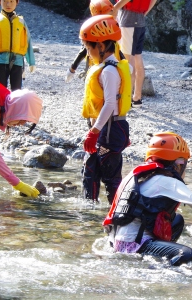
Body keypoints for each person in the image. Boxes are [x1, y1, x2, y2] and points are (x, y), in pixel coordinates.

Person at [102, 132, 192, 266]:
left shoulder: (139, 176)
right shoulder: (166, 181)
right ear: (178, 165)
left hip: (116, 242)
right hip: (136, 246)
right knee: (187, 255)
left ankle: (160, 257)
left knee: (177, 220)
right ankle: (159, 270)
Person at [79, 15, 131, 204]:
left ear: (100, 46)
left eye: (88, 47)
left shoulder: (109, 71)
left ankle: (117, 216)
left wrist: (94, 131)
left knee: (111, 177)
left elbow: (110, 104)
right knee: (90, 170)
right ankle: (89, 214)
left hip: (109, 130)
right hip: (107, 129)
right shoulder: (104, 67)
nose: (88, 52)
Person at [0, 74, 42, 197]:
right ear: (17, 108)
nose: (22, 124)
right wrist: (17, 183)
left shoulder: (0, 101)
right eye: (24, 118)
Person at [0, 0, 36, 91]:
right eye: (5, 1)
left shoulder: (21, 21)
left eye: (11, 1)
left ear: (17, 2)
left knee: (17, 92)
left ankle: (15, 105)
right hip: (0, 60)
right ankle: (1, 106)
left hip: (17, 61)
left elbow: (28, 41)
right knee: (0, 91)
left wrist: (31, 62)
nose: (8, 4)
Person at [65, 0, 126, 83]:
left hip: (110, 66)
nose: (113, 15)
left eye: (112, 11)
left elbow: (117, 49)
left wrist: (125, 64)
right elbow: (83, 52)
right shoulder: (94, 32)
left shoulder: (110, 30)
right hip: (96, 66)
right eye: (109, 13)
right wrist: (72, 68)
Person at [111, 0, 158, 108]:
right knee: (137, 57)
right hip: (140, 22)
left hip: (129, 22)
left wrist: (115, 9)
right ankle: (137, 97)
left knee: (128, 60)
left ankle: (126, 99)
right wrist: (144, 13)